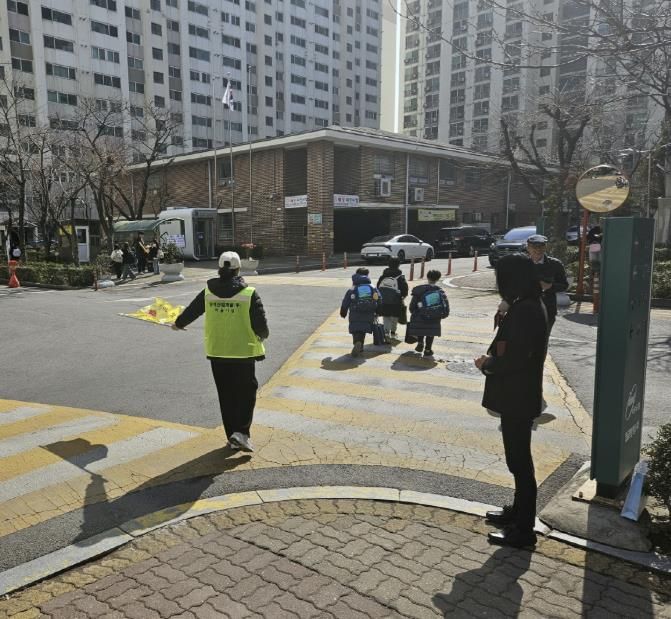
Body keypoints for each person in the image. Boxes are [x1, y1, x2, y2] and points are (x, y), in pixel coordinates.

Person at [474, 253, 548, 549]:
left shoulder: (527, 309)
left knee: (520, 461)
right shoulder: (527, 303)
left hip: (518, 394)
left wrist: (487, 363)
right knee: (516, 459)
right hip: (518, 393)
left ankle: (523, 530)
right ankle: (517, 513)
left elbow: (516, 358)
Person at [172, 251, 268, 452]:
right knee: (246, 393)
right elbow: (260, 325)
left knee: (226, 395)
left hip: (217, 352)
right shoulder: (249, 293)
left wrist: (179, 323)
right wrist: (263, 334)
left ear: (219, 269)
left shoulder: (208, 291)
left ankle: (232, 436)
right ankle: (241, 433)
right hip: (243, 353)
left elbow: (192, 311)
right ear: (238, 269)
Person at [525, 234, 568, 331]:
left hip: (547, 310)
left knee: (542, 338)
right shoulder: (522, 264)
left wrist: (550, 286)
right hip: (526, 309)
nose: (538, 250)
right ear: (528, 248)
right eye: (534, 247)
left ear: (545, 247)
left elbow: (564, 285)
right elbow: (514, 286)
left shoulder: (555, 264)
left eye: (541, 246)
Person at [406, 270, 450, 357]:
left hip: (420, 315)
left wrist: (415, 312)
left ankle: (420, 343)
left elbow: (412, 306)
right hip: (434, 316)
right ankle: (428, 349)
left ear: (428, 277)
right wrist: (443, 314)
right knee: (430, 332)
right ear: (438, 279)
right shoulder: (440, 291)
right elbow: (445, 305)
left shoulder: (419, 290)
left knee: (421, 329)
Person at [340, 267, 380, 357]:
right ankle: (360, 344)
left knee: (355, 328)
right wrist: (378, 310)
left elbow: (346, 300)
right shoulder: (372, 287)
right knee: (363, 328)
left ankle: (357, 342)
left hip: (355, 312)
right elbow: (379, 298)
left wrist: (343, 311)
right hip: (368, 312)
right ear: (367, 275)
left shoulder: (353, 288)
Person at [376, 257, 409, 342]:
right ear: (398, 265)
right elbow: (405, 290)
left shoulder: (383, 276)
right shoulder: (400, 277)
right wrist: (403, 296)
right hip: (396, 301)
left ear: (388, 264)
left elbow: (378, 287)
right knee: (395, 317)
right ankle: (393, 333)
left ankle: (386, 333)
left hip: (384, 300)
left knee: (386, 317)